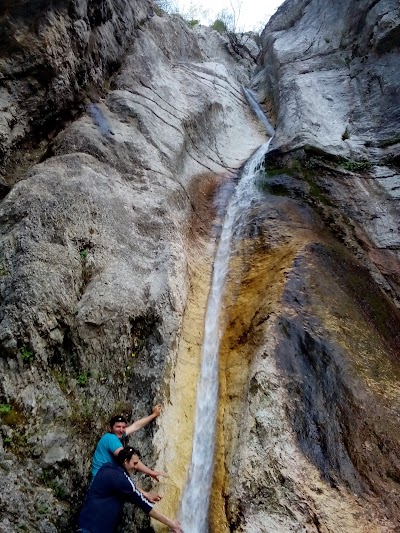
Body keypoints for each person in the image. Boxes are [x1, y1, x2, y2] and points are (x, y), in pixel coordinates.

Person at [78, 447, 183, 533]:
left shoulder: (107, 468)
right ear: (125, 462)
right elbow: (145, 506)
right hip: (93, 529)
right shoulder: (121, 480)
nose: (137, 467)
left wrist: (144, 493)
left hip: (84, 525)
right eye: (135, 463)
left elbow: (127, 486)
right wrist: (171, 524)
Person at [92, 405, 166, 480]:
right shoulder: (111, 438)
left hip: (104, 479)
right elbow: (129, 458)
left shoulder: (117, 435)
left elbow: (135, 426)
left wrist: (154, 415)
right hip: (101, 481)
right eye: (118, 427)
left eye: (123, 427)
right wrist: (151, 472)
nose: (121, 430)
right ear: (111, 428)